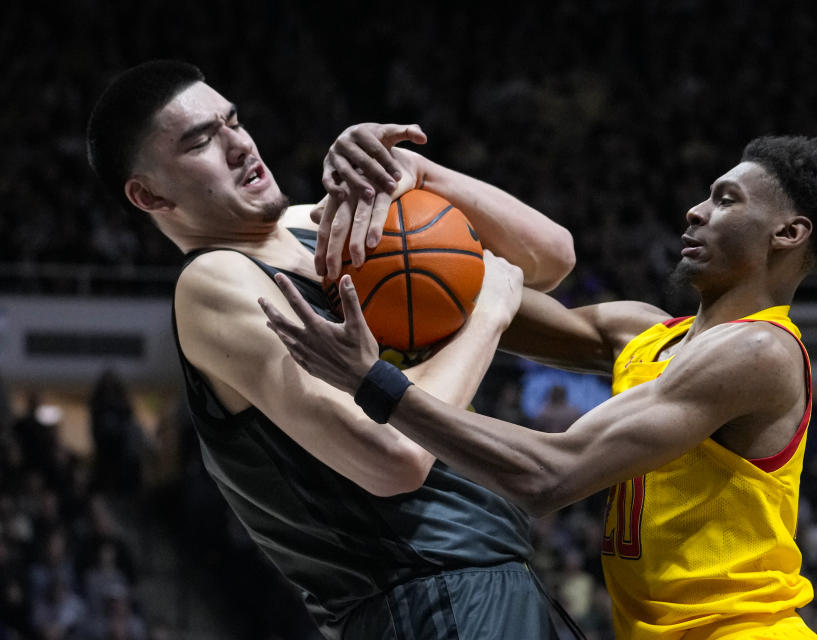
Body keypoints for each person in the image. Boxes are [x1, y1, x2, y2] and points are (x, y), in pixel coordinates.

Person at [262, 134, 817, 638]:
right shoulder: (648, 333)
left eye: (726, 200)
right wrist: (408, 177)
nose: (696, 211)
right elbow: (467, 288)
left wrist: (374, 383)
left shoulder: (761, 351)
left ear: (787, 235)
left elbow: (549, 475)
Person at [86, 60, 578, 639]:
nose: (241, 146)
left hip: (495, 576)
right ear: (149, 195)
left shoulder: (317, 224)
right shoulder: (215, 281)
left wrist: (419, 173)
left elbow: (551, 260)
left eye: (233, 122)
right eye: (201, 142)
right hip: (427, 598)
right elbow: (393, 458)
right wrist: (487, 316)